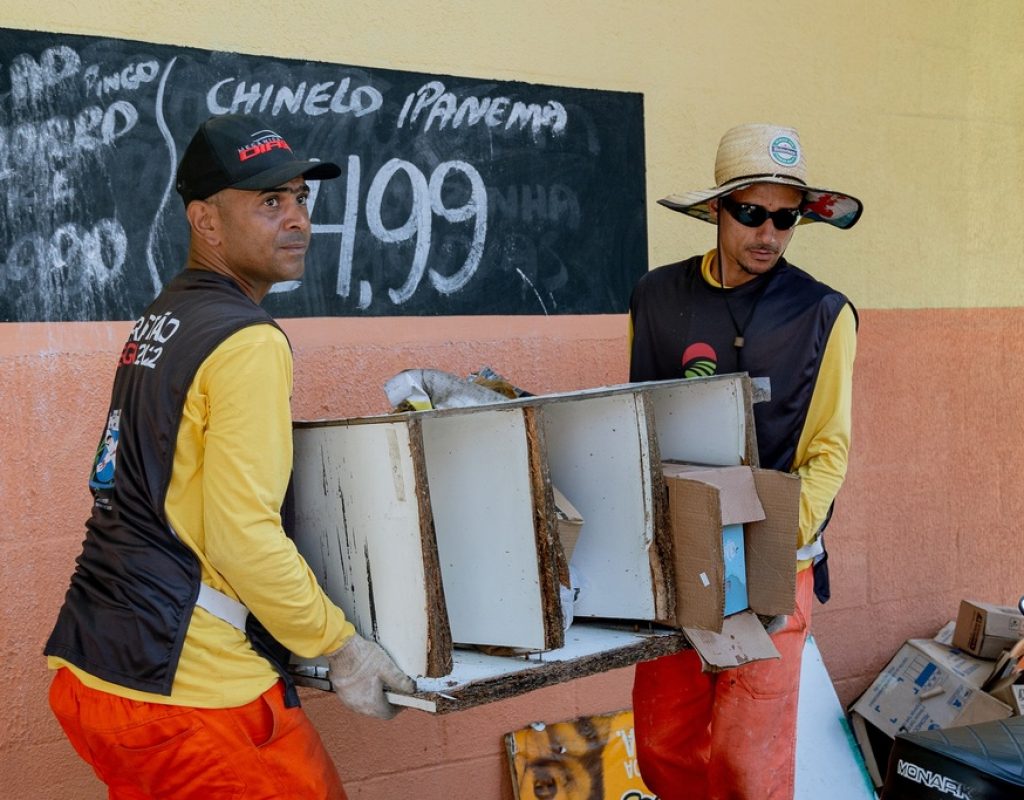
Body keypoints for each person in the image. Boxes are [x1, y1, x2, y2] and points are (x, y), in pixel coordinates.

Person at [44, 113, 415, 799]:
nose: (297, 219)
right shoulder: (247, 341)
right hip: (191, 694)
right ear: (205, 222)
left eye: (301, 198)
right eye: (270, 202)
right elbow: (242, 537)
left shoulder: (163, 316)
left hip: (96, 674)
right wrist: (340, 646)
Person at [628, 122, 862, 800]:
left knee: (746, 761)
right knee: (664, 745)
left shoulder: (824, 314)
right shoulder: (657, 296)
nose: (769, 233)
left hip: (773, 563)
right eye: (752, 213)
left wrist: (772, 548)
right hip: (680, 560)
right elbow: (636, 424)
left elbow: (828, 450)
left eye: (786, 218)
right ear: (717, 210)